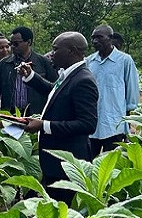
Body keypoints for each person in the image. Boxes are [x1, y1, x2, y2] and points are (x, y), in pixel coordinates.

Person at [19, 32, 98, 203]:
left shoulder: (83, 80)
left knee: (65, 212)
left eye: (55, 49)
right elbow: (55, 95)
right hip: (55, 161)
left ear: (71, 51)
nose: (51, 53)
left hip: (67, 163)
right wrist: (31, 77)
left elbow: (88, 124)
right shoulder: (69, 74)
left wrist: (44, 125)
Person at [85, 25, 139, 155]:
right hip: (92, 124)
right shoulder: (89, 61)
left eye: (99, 37)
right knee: (88, 162)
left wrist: (127, 123)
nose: (95, 41)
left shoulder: (124, 60)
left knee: (113, 163)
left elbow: (131, 92)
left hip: (115, 124)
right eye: (93, 38)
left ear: (110, 38)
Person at [0, 26, 58, 116]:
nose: (12, 47)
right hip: (10, 115)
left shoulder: (44, 63)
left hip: (35, 116)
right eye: (11, 44)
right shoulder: (5, 63)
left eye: (16, 44)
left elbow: (54, 90)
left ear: (28, 42)